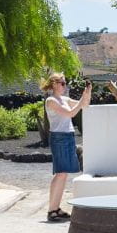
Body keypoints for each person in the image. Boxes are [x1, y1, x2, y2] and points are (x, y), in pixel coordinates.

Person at [42, 73, 91, 222]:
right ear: (54, 84)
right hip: (59, 137)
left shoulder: (64, 99)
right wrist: (82, 100)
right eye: (62, 83)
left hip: (68, 136)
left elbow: (85, 105)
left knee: (63, 174)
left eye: (65, 83)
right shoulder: (51, 100)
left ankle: (56, 208)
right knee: (60, 173)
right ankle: (52, 210)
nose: (65, 85)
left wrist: (87, 93)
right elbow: (71, 113)